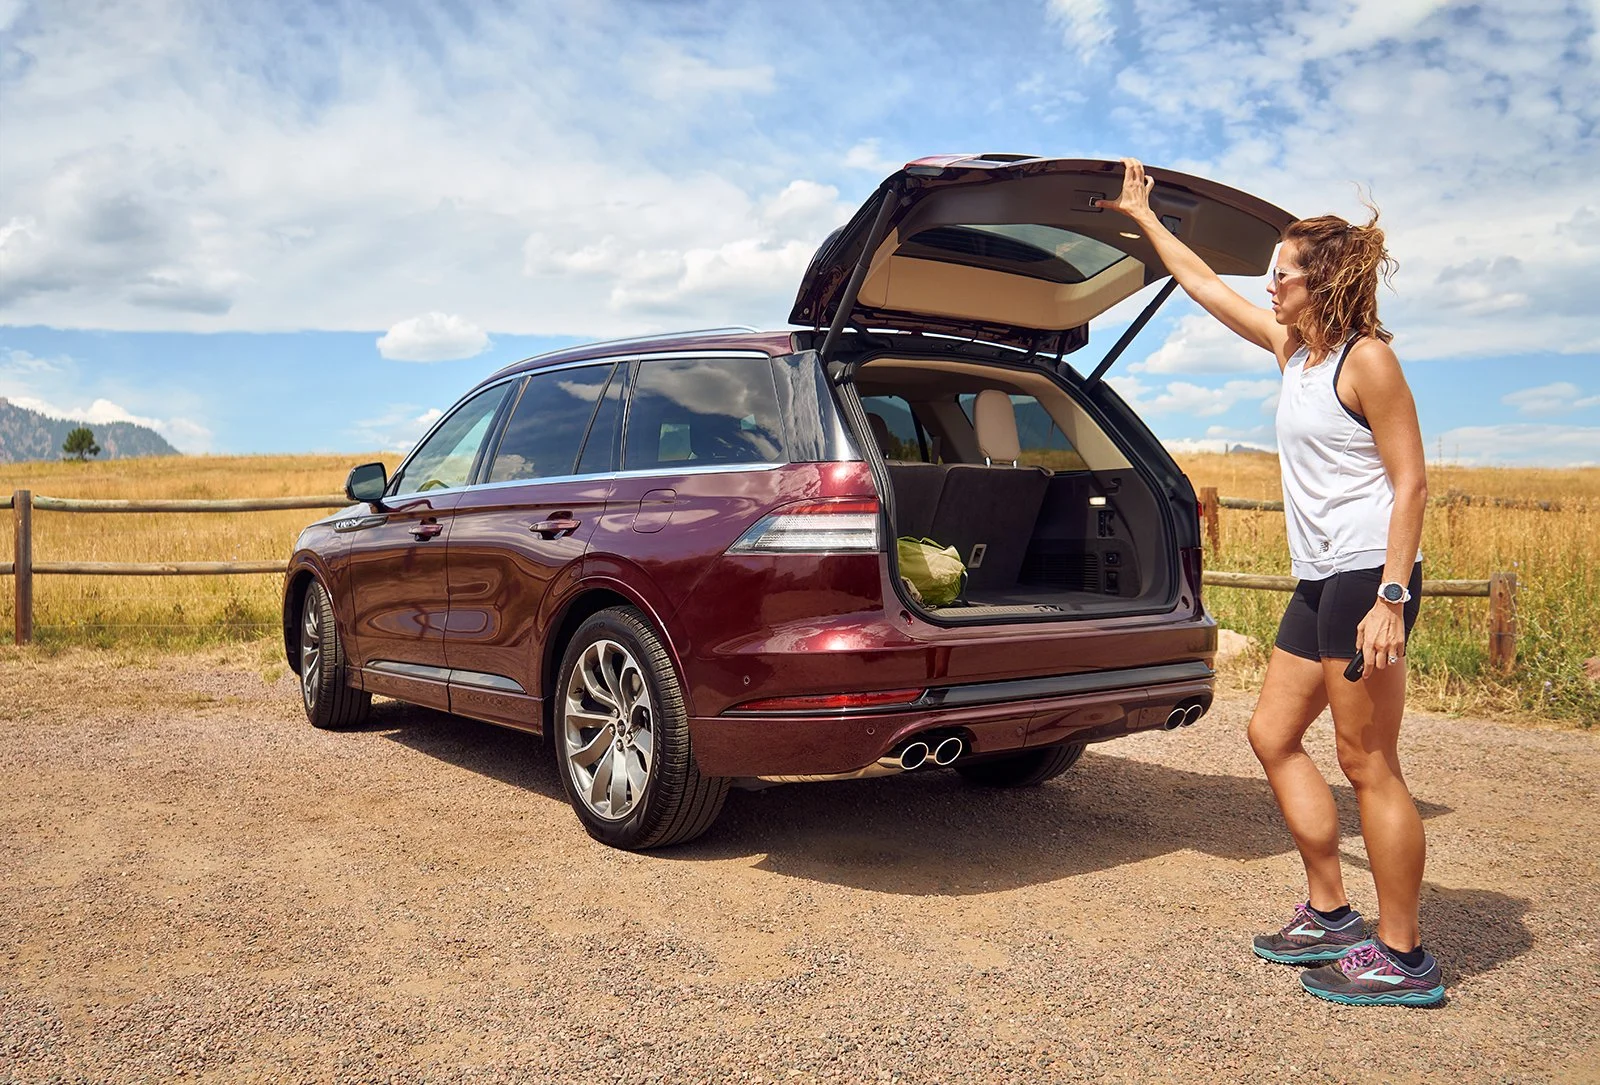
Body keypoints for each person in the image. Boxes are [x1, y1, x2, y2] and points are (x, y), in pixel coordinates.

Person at [1096, 159, 1444, 1007]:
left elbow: (1412, 483)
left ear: (1316, 281)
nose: (1269, 283)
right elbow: (1203, 284)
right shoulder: (1294, 351)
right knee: (1271, 732)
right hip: (1321, 574)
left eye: (1281, 272)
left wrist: (1393, 597)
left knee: (1368, 763)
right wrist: (1144, 218)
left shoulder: (1368, 363)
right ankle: (1331, 911)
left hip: (1370, 576)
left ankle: (1403, 955)